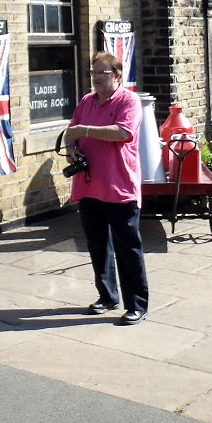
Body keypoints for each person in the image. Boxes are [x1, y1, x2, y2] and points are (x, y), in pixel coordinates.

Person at [63, 51, 149, 325]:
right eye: (94, 73)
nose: (97, 78)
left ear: (118, 75)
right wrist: (71, 148)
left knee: (128, 249)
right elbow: (71, 132)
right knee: (98, 246)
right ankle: (108, 296)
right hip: (89, 187)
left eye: (103, 73)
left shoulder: (129, 100)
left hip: (119, 187)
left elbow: (123, 133)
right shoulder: (87, 101)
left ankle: (136, 304)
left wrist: (83, 131)